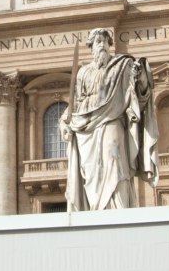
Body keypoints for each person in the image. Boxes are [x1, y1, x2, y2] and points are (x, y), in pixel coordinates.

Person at [62, 28, 158, 212]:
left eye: (106, 42)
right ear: (91, 48)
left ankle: (118, 209)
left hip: (112, 119)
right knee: (91, 171)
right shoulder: (83, 72)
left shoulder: (122, 66)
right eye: (98, 42)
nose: (103, 45)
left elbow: (140, 94)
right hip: (86, 126)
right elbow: (76, 101)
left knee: (114, 157)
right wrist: (63, 121)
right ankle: (96, 207)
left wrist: (141, 76)